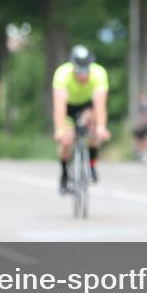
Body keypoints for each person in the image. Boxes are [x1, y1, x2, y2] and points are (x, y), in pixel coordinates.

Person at [51, 45, 111, 194]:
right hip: (68, 107)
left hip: (87, 106)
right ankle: (64, 174)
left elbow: (100, 104)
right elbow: (59, 107)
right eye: (79, 70)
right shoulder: (62, 74)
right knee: (66, 141)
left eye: (86, 70)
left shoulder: (99, 73)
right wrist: (60, 130)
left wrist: (101, 127)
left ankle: (92, 165)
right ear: (72, 67)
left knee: (95, 130)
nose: (82, 75)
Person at [132, 94, 147, 163]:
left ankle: (145, 153)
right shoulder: (141, 105)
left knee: (145, 138)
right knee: (140, 138)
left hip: (143, 124)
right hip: (141, 124)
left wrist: (142, 124)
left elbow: (144, 116)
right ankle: (141, 153)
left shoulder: (144, 105)